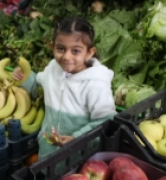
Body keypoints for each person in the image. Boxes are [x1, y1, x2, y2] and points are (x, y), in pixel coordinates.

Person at [12, 16, 117, 160]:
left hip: (79, 157)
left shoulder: (96, 84)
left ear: (89, 53)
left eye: (76, 51)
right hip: (47, 152)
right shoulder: (52, 69)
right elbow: (37, 90)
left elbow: (106, 121)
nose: (67, 57)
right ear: (51, 47)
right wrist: (24, 77)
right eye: (61, 49)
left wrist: (77, 138)